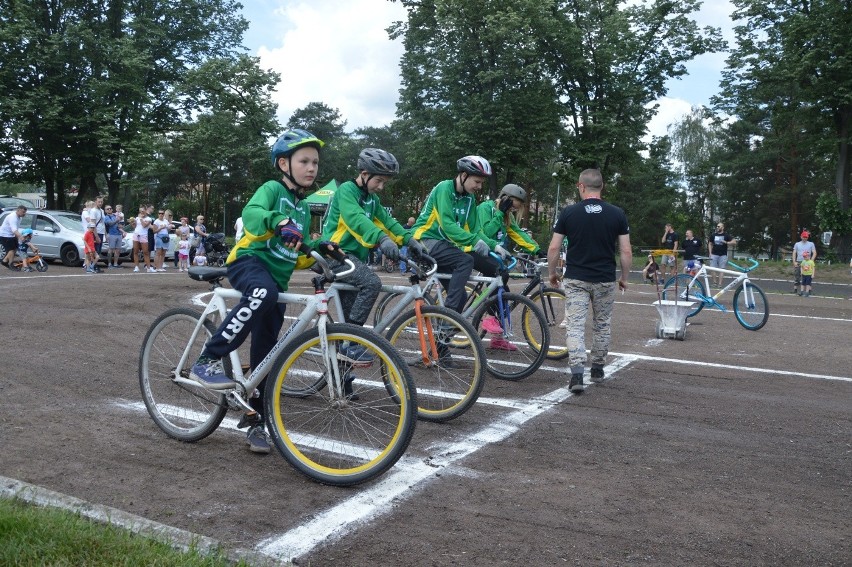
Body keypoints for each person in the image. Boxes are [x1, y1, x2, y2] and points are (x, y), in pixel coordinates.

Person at [189, 128, 328, 455]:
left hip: (276, 282)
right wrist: (278, 222)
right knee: (261, 293)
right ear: (284, 163)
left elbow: (297, 255)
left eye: (315, 163)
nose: (312, 168)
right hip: (249, 263)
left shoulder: (304, 208)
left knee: (268, 354)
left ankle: (255, 420)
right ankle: (207, 360)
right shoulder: (272, 190)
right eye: (304, 161)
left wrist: (322, 250)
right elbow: (252, 217)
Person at [321, 148, 424, 362]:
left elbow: (389, 222)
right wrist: (381, 238)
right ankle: (352, 343)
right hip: (335, 254)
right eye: (378, 180)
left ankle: (344, 380)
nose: (381, 186)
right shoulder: (347, 190)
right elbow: (355, 218)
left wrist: (409, 240)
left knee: (348, 321)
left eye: (384, 182)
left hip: (351, 259)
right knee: (371, 283)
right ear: (364, 173)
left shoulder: (372, 199)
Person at [547, 168, 631, 393]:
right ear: (602, 186)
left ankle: (576, 375)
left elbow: (554, 247)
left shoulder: (568, 212)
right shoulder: (617, 214)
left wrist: (552, 272)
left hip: (576, 278)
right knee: (602, 324)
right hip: (604, 278)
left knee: (574, 325)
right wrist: (623, 277)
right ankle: (597, 369)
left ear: (580, 186)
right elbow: (625, 251)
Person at [411, 155, 509, 319]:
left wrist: (494, 246)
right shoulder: (444, 188)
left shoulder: (469, 199)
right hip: (425, 240)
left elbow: (475, 230)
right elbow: (447, 225)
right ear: (464, 175)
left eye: (481, 183)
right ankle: (450, 317)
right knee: (466, 260)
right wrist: (474, 241)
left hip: (443, 246)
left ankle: (443, 336)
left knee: (462, 297)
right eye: (477, 182)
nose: (479, 186)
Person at [476, 183, 541, 346]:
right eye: (512, 207)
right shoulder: (486, 208)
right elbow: (486, 233)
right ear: (505, 199)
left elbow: (517, 233)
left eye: (514, 209)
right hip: (479, 250)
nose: (512, 211)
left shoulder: (507, 216)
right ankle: (489, 318)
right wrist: (499, 213)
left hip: (496, 255)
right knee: (499, 276)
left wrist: (536, 249)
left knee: (504, 297)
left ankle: (497, 340)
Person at [708, 222, 737, 288]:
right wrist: (710, 253)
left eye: (719, 226)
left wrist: (726, 242)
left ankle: (720, 284)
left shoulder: (726, 235)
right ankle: (714, 283)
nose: (717, 227)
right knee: (712, 268)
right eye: (717, 226)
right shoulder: (713, 235)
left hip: (723, 255)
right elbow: (710, 243)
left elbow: (734, 242)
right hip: (714, 254)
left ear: (723, 227)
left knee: (722, 269)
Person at [1, 204, 27, 269]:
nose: (24, 214)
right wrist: (21, 237)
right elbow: (14, 229)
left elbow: (16, 229)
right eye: (23, 212)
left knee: (15, 249)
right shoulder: (13, 217)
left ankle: (5, 261)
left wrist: (17, 237)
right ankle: (10, 264)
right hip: (5, 235)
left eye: (25, 212)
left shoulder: (19, 218)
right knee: (11, 250)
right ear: (18, 210)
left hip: (11, 234)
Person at [792, 230, 817, 295]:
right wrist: (794, 261)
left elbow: (814, 252)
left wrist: (811, 260)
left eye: (806, 237)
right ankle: (795, 289)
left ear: (807, 237)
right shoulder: (797, 244)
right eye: (803, 237)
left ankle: (809, 290)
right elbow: (794, 252)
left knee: (808, 276)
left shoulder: (811, 244)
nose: (805, 238)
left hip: (808, 262)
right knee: (797, 274)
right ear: (801, 237)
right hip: (799, 261)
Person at [131, 206, 154, 273]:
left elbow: (144, 225)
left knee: (145, 252)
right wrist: (132, 223)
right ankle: (136, 266)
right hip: (136, 235)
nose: (142, 212)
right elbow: (135, 227)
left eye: (143, 211)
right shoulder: (137, 218)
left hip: (143, 236)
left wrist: (141, 219)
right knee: (135, 251)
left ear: (145, 211)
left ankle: (148, 267)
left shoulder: (149, 219)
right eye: (140, 211)